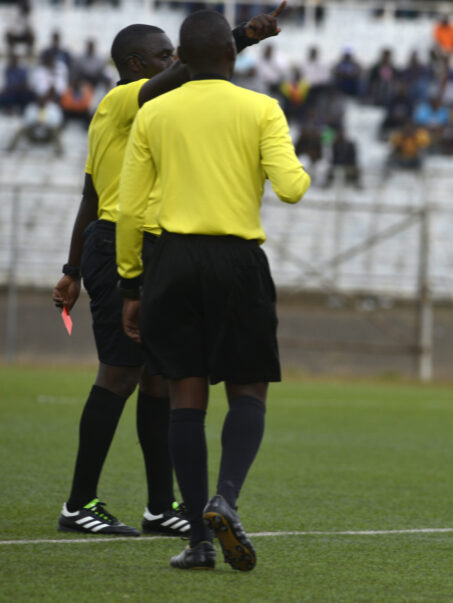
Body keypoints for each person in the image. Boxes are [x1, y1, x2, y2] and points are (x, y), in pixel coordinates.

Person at [50, 7, 284, 538]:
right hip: (117, 244)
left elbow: (89, 193)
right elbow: (191, 71)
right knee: (121, 373)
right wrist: (240, 37)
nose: (174, 61)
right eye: (162, 56)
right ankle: (79, 502)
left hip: (140, 246)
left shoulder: (147, 110)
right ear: (136, 65)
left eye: (175, 53)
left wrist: (69, 269)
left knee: (159, 378)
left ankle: (161, 507)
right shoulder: (121, 100)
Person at [116, 9, 310, 571]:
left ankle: (199, 541)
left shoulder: (154, 110)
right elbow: (292, 189)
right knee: (248, 389)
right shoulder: (261, 109)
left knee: (185, 397)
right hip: (238, 261)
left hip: (171, 261)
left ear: (181, 58)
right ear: (230, 54)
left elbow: (131, 207)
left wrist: (132, 283)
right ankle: (226, 497)